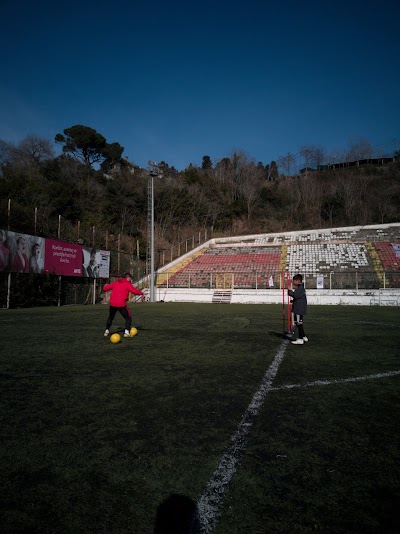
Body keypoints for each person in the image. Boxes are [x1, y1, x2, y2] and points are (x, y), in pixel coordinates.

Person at [103, 273, 144, 337]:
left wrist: (105, 286)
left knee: (111, 317)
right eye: (130, 279)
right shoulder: (127, 284)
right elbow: (134, 291)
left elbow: (105, 289)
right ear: (128, 278)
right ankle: (127, 332)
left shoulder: (115, 283)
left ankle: (106, 331)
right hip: (121, 304)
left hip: (112, 304)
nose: (130, 281)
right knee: (128, 317)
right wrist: (141, 293)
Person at [288, 273, 308, 345]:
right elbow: (298, 297)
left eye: (294, 281)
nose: (293, 282)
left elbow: (295, 295)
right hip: (299, 307)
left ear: (298, 281)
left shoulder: (300, 288)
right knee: (299, 322)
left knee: (298, 323)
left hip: (299, 308)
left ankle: (300, 338)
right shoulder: (300, 288)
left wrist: (290, 291)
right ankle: (303, 336)